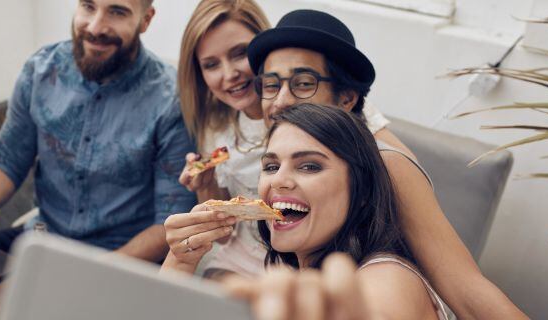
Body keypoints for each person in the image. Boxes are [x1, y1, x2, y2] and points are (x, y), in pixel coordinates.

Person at [168, 9, 527, 318]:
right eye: (271, 85)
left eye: (304, 83)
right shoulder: (268, 133)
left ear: (347, 99)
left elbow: (463, 287)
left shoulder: (387, 164)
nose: (282, 101)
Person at [0, 0, 196, 262]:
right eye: (88, 6)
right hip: (43, 239)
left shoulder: (171, 98)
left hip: (123, 257)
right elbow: (7, 161)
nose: (95, 27)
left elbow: (170, 222)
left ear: (145, 20)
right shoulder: (40, 71)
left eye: (117, 12)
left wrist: (92, 272)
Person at [174, 0, 408, 279]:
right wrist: (208, 184)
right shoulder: (217, 125)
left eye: (239, 54)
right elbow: (225, 233)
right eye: (211, 64)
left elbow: (400, 164)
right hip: (245, 260)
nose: (230, 73)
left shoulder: (333, 106)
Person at [181, 103, 450, 319]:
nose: (278, 180)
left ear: (362, 192)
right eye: (271, 167)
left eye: (309, 166)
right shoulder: (295, 273)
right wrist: (180, 263)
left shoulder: (389, 278)